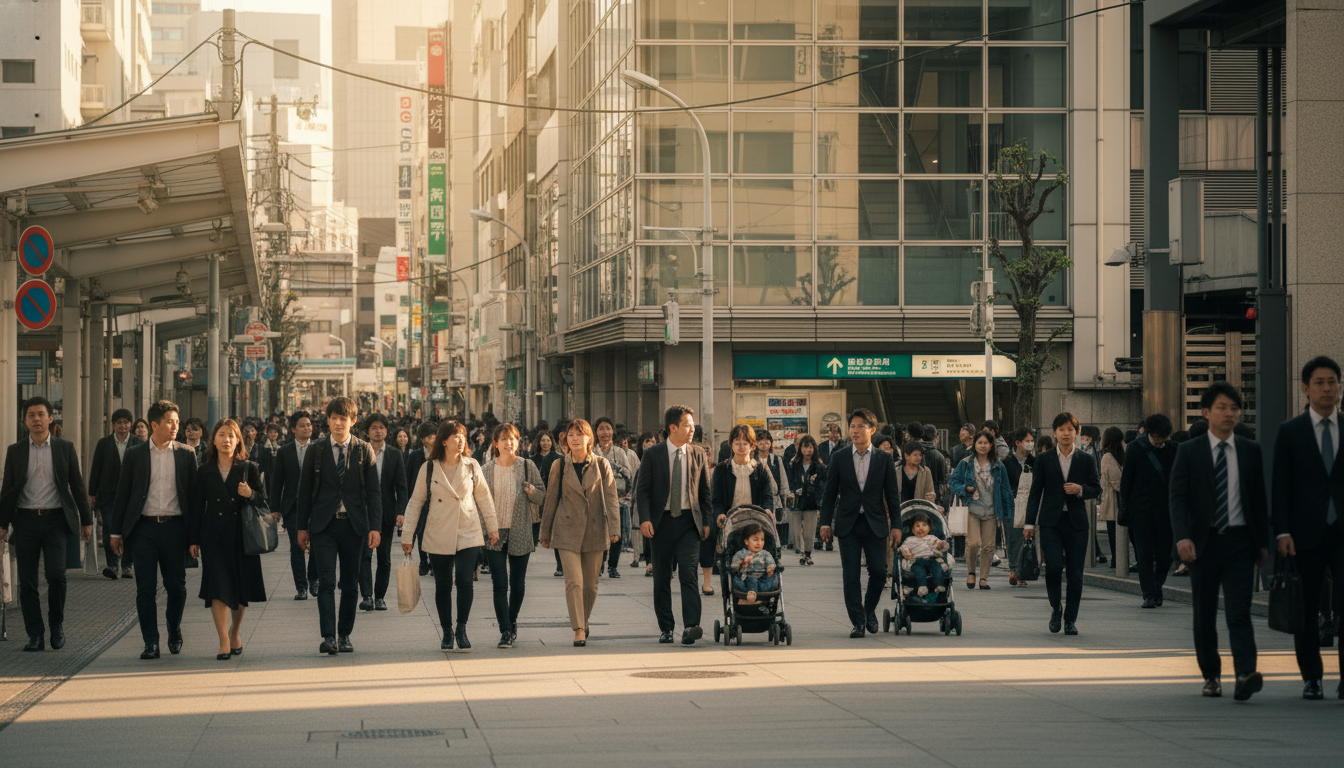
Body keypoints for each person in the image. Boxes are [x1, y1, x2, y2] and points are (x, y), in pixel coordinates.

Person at [1171, 381, 1269, 701]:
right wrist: (1183, 537)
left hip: (1240, 541)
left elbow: (1258, 500)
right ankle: (1211, 675)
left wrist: (1262, 543)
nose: (1230, 413)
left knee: (1239, 610)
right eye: (1222, 408)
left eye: (1234, 408)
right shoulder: (1189, 450)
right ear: (1206, 413)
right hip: (1204, 543)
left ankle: (1244, 674)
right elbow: (1178, 497)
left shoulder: (1250, 450)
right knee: (1205, 611)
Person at [1271, 356, 1344, 701]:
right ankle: (1312, 678)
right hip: (1304, 536)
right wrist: (1282, 532)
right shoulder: (1290, 432)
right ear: (1305, 388)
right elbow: (1281, 487)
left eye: (1332, 382)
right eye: (1320, 382)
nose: (1327, 388)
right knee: (1307, 609)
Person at [0, 397, 92, 652]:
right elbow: (7, 488)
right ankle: (35, 634)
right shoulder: (15, 451)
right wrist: (3, 523)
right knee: (27, 582)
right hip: (26, 521)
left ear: (51, 418)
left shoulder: (64, 447)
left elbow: (77, 483)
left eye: (41, 414)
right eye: (31, 415)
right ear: (25, 420)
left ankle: (56, 626)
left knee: (56, 576)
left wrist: (86, 520)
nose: (36, 419)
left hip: (55, 521)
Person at [108, 399, 198, 659]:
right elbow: (123, 495)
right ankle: (151, 642)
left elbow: (192, 497)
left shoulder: (185, 453)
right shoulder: (136, 455)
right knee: (145, 589)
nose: (175, 427)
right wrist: (116, 533)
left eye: (177, 422)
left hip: (175, 529)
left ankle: (174, 627)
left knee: (176, 587)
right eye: (170, 421)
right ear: (154, 424)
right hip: (144, 530)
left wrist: (194, 537)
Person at [295, 397, 383, 656]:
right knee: (325, 582)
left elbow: (374, 493)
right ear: (327, 420)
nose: (337, 423)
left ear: (353, 421)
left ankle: (344, 634)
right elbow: (305, 491)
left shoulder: (363, 449)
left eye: (343, 418)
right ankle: (329, 636)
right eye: (333, 418)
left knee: (350, 583)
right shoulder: (316, 450)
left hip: (354, 526)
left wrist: (375, 527)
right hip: (324, 526)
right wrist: (302, 527)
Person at [403, 420, 499, 652]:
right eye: (455, 436)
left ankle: (462, 628)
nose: (460, 440)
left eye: (462, 435)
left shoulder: (472, 465)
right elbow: (416, 502)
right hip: (438, 531)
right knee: (443, 584)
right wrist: (408, 536)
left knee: (465, 581)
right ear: (443, 441)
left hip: (468, 529)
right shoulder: (428, 468)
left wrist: (493, 527)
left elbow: (484, 498)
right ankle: (446, 630)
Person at [188, 419, 269, 661]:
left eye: (231, 436)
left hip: (242, 535)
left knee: (240, 588)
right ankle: (223, 639)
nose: (226, 440)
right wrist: (193, 539)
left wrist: (250, 493)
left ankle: (235, 631)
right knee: (218, 588)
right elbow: (195, 506)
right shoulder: (204, 470)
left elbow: (264, 501)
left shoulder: (249, 468)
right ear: (213, 439)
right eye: (221, 435)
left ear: (238, 441)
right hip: (214, 535)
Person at [819, 408, 902, 638]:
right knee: (851, 575)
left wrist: (896, 525)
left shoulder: (884, 459)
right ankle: (857, 621)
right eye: (852, 426)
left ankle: (868, 609)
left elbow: (893, 495)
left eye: (860, 427)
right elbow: (829, 493)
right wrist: (825, 522)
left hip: (875, 523)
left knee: (878, 572)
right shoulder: (839, 457)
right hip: (849, 524)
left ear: (872, 430)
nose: (854, 431)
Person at [636, 405, 713, 645]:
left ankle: (691, 626)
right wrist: (645, 519)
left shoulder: (699, 453)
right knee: (661, 577)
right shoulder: (653, 454)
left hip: (689, 523)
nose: (692, 429)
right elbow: (643, 491)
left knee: (689, 574)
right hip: (661, 523)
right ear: (673, 427)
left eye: (692, 425)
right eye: (687, 425)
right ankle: (666, 627)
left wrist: (707, 521)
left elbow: (705, 492)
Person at [539, 418, 620, 647]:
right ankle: (579, 629)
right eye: (571, 435)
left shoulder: (602, 465)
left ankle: (583, 620)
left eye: (579, 435)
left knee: (591, 585)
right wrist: (545, 532)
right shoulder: (560, 465)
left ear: (588, 438)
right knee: (574, 581)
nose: (574, 439)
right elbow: (551, 499)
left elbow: (612, 498)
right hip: (567, 531)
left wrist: (615, 528)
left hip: (595, 528)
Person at [1024, 412, 1102, 636]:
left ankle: (1070, 619)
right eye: (1061, 429)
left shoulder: (1085, 459)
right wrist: (1029, 524)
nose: (1066, 433)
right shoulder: (1044, 459)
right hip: (1051, 523)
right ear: (1055, 432)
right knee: (1054, 567)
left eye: (1070, 429)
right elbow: (1035, 492)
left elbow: (1096, 488)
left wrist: (1081, 490)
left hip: (1077, 523)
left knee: (1076, 574)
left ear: (1077, 432)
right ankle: (1056, 607)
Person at [481, 423, 545, 648]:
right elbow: (479, 503)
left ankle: (512, 619)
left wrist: (532, 492)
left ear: (518, 442)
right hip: (495, 532)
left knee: (517, 585)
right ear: (495, 443)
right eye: (504, 439)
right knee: (500, 583)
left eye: (513, 439)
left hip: (520, 529)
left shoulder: (527, 466)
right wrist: (487, 530)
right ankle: (505, 630)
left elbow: (542, 496)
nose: (509, 443)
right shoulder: (486, 469)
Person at [709, 424, 776, 596]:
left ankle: (759, 592)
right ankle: (736, 593)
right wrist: (720, 514)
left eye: (745, 443)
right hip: (731, 525)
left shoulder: (759, 469)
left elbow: (768, 496)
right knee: (733, 564)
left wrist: (768, 510)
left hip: (755, 525)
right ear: (731, 444)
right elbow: (716, 500)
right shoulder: (722, 469)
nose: (741, 446)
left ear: (752, 446)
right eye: (737, 442)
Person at [1120, 415, 1177, 608]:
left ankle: (1156, 586)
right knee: (1143, 554)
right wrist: (1125, 506)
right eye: (1158, 437)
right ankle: (1149, 594)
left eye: (1164, 437)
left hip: (1166, 510)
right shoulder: (1135, 448)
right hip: (1140, 510)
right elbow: (1126, 480)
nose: (1161, 441)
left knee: (1165, 555)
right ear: (1150, 433)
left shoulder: (1174, 449)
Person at [949, 430, 1013, 590]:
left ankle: (983, 577)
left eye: (986, 443)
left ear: (992, 445)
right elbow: (953, 481)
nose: (983, 446)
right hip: (971, 510)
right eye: (980, 443)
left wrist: (1009, 511)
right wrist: (965, 488)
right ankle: (971, 572)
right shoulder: (965, 463)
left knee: (989, 546)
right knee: (973, 543)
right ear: (975, 445)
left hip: (992, 511)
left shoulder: (998, 465)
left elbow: (1006, 489)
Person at [358, 414, 409, 612]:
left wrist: (401, 511)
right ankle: (367, 596)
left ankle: (380, 596)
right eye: (374, 428)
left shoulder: (394, 454)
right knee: (364, 555)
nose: (378, 431)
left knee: (384, 557)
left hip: (387, 512)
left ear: (386, 431)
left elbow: (401, 486)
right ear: (367, 432)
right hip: (364, 512)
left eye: (382, 427)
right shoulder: (359, 452)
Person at [89, 407, 142, 580]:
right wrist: (92, 494)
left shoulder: (137, 443)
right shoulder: (103, 444)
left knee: (129, 531)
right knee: (109, 528)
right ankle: (112, 565)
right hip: (108, 494)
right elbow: (95, 469)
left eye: (126, 422)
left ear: (130, 424)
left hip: (131, 495)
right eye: (119, 422)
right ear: (113, 425)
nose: (122, 426)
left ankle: (127, 566)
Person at [273, 410, 319, 600]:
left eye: (309, 425)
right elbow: (277, 481)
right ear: (293, 429)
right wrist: (275, 508)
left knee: (316, 545)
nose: (307, 428)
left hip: (316, 506)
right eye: (302, 425)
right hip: (293, 506)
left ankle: (313, 579)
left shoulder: (319, 449)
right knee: (296, 547)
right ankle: (301, 587)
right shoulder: (284, 451)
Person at [593, 416, 635, 579]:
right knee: (599, 534)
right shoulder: (591, 451)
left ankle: (613, 566)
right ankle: (600, 564)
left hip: (616, 499)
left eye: (608, 428)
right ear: (596, 432)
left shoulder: (619, 452)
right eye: (601, 428)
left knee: (616, 533)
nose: (605, 432)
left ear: (613, 431)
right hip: (596, 499)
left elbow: (628, 473)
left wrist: (614, 467)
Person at [786, 435, 825, 566]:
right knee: (796, 531)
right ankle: (801, 550)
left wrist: (817, 494)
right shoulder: (793, 464)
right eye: (805, 447)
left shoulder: (818, 465)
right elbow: (789, 480)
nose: (808, 450)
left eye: (810, 447)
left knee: (809, 530)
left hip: (812, 501)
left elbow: (823, 483)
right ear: (800, 448)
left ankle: (807, 553)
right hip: (796, 501)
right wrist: (791, 492)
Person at [1003, 428, 1035, 587]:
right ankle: (1014, 570)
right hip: (1013, 504)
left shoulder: (1035, 461)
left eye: (1032, 441)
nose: (1030, 444)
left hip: (1031, 504)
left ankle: (1021, 571)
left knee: (1027, 538)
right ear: (1017, 443)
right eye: (1027, 441)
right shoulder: (1007, 463)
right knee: (1014, 538)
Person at [406, 422, 438, 576]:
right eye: (424, 438)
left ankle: (433, 561)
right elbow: (408, 478)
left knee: (434, 531)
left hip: (437, 501)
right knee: (420, 531)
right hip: (419, 500)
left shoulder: (442, 455)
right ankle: (424, 561)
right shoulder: (415, 456)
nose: (427, 441)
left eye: (430, 437)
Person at [899, 511, 950, 602]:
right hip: (917, 560)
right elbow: (903, 547)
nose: (921, 528)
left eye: (924, 525)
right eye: (917, 526)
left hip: (931, 559)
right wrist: (905, 551)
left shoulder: (932, 538)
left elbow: (938, 545)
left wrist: (941, 545)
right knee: (918, 570)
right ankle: (922, 586)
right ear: (912, 529)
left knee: (937, 567)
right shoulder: (910, 539)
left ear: (929, 528)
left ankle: (939, 585)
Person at [755, 431, 790, 549]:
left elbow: (783, 479)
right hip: (757, 498)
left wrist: (785, 495)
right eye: (760, 441)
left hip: (774, 499)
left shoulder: (776, 459)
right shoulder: (752, 459)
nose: (763, 444)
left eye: (766, 441)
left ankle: (774, 550)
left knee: (773, 527)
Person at [730, 522, 777, 604]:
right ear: (746, 542)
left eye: (762, 540)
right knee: (747, 579)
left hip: (763, 580)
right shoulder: (741, 554)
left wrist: (771, 568)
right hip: (746, 581)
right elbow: (733, 566)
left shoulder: (765, 554)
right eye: (755, 540)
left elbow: (771, 562)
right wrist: (742, 563)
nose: (759, 543)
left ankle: (750, 600)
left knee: (775, 577)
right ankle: (751, 596)